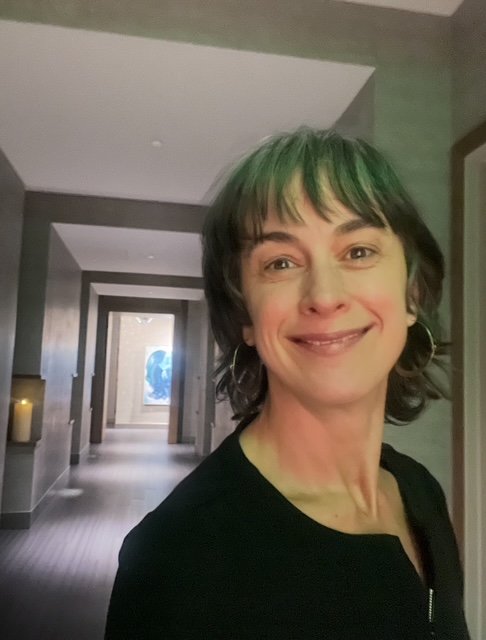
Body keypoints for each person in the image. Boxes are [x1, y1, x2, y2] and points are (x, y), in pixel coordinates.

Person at [105, 128, 470, 639]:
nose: (324, 295)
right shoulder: (179, 556)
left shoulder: (420, 491)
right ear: (245, 315)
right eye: (281, 263)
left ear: (412, 294)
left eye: (358, 251)